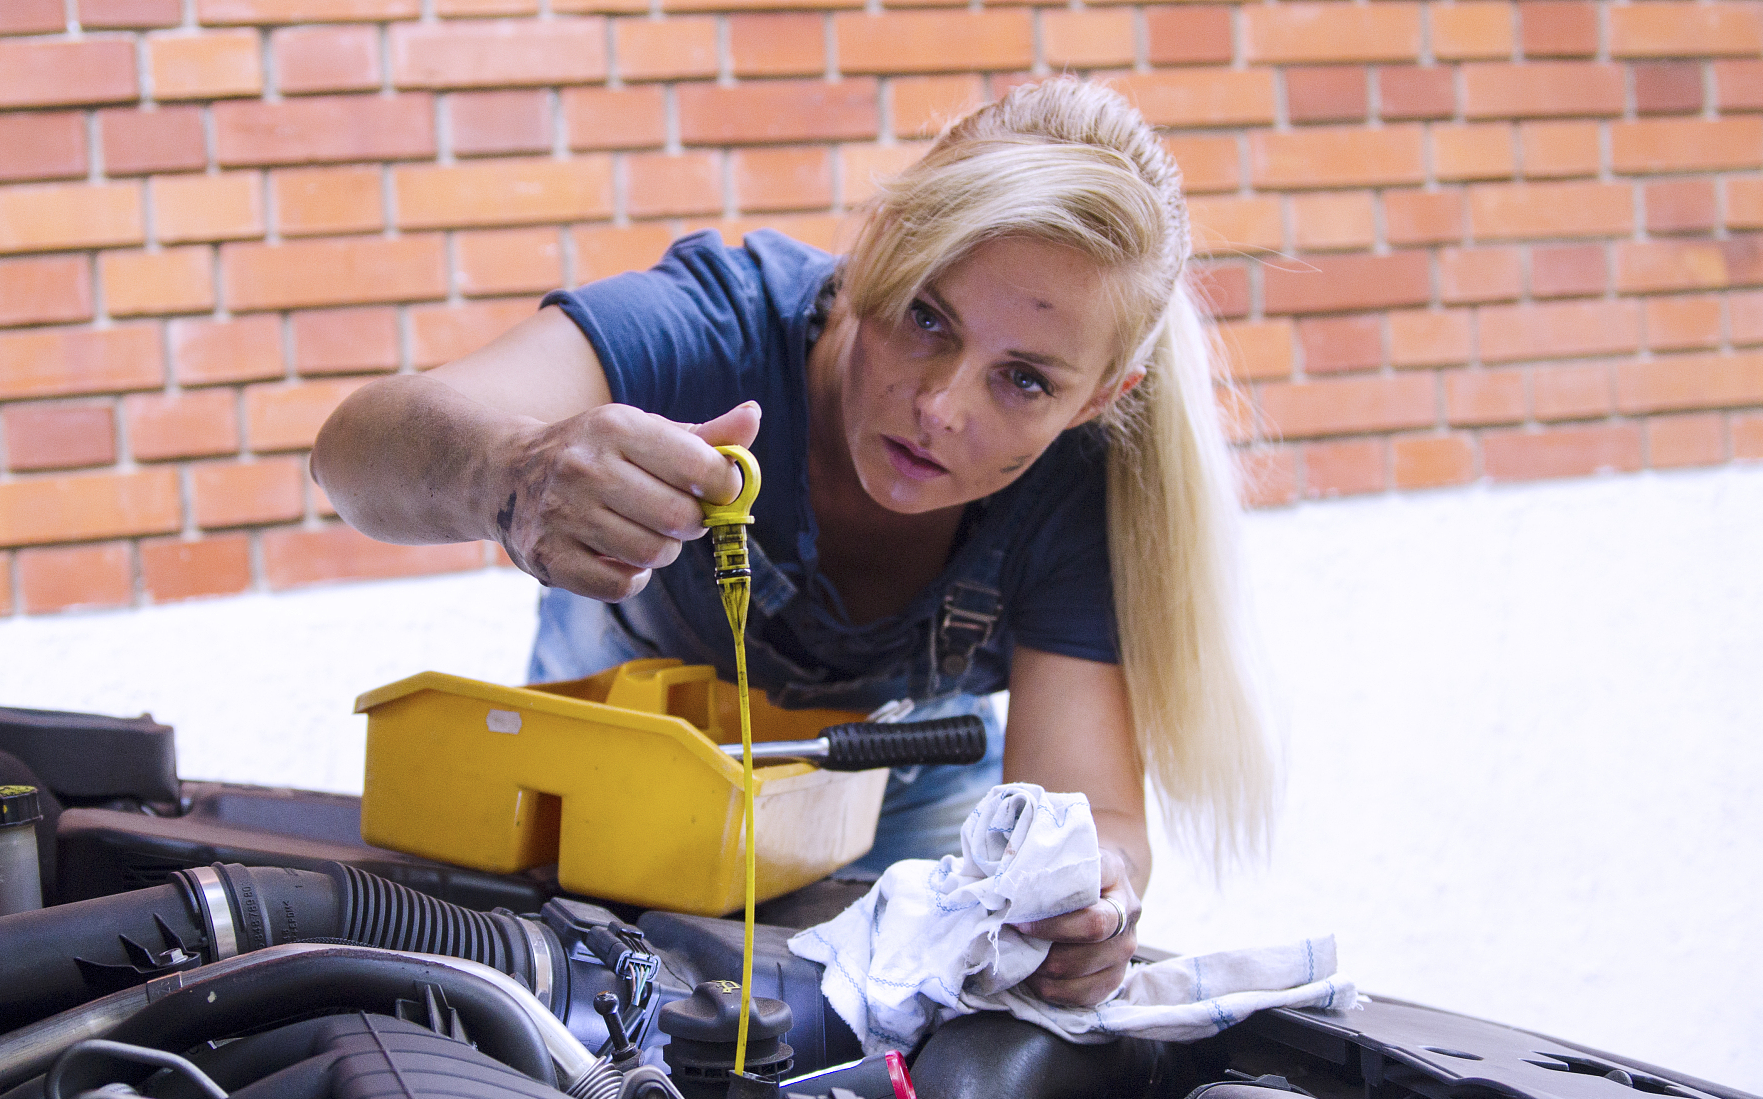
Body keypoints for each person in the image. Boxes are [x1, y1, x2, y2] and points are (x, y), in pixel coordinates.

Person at [313, 78, 1273, 1008]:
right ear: (876, 251)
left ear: (1101, 399)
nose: (941, 409)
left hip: (904, 769)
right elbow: (352, 452)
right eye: (926, 318)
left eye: (1024, 381)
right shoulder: (711, 329)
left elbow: (1090, 817)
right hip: (633, 753)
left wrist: (1087, 900)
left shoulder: (1082, 491)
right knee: (584, 1009)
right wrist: (508, 473)